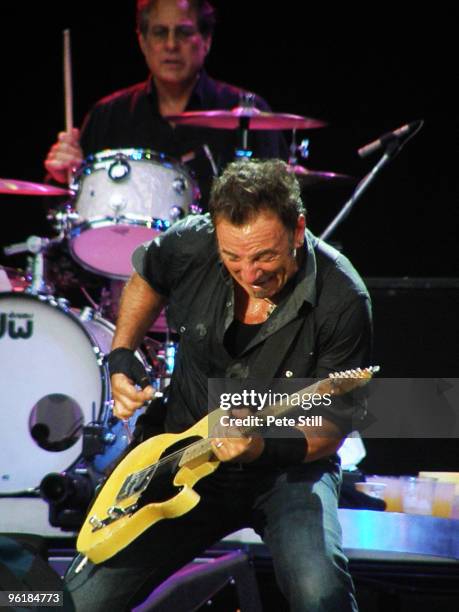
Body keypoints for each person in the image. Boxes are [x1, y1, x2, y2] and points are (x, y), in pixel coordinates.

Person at [65, 159, 372, 611]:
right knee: (72, 602)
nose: (250, 274)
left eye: (266, 256)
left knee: (320, 593)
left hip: (287, 470)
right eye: (233, 257)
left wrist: (259, 449)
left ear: (298, 228)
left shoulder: (343, 297)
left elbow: (332, 427)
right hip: (181, 458)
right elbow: (147, 275)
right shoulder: (190, 241)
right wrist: (122, 354)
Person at [44, 0, 287, 207]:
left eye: (183, 32)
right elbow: (68, 214)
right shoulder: (107, 116)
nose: (171, 44)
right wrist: (60, 176)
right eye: (160, 32)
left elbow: (281, 205)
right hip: (127, 260)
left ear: (206, 40)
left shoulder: (249, 114)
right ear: (143, 42)